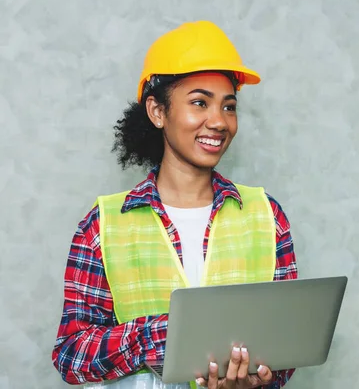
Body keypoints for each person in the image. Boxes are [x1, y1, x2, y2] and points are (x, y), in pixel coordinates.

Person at [51, 21, 298, 389]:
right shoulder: (104, 225)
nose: (218, 122)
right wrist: (163, 335)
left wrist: (259, 379)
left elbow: (287, 344)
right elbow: (71, 356)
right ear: (157, 111)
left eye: (229, 107)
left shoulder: (266, 215)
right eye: (200, 103)